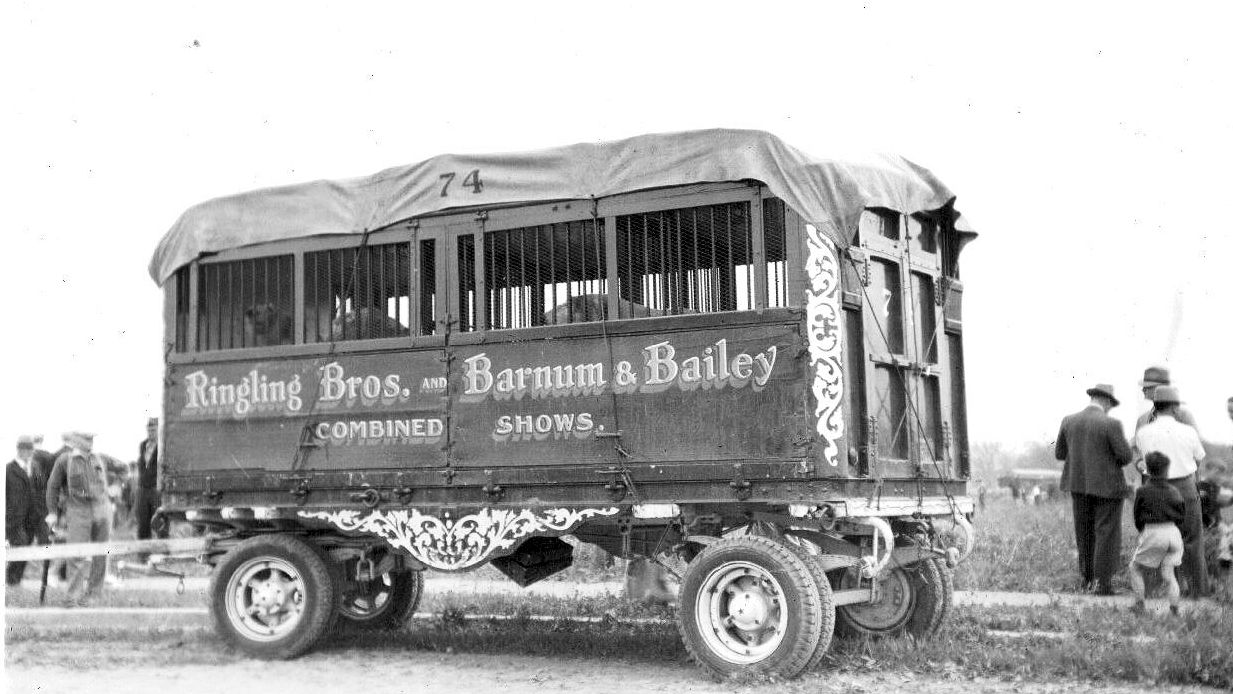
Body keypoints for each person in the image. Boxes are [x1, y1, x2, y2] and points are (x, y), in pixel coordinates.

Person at [1055, 383, 1134, 595]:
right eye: (1111, 405)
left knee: (1084, 533)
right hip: (1108, 488)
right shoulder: (1111, 424)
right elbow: (1125, 457)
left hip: (1078, 485)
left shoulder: (1068, 421)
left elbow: (1060, 454)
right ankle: (1103, 585)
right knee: (1106, 534)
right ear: (1106, 401)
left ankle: (1087, 581)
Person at [1133, 386, 1207, 597]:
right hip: (1184, 486)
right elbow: (1199, 458)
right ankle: (1196, 592)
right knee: (1192, 540)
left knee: (1153, 539)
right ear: (1175, 408)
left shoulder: (1143, 432)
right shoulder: (1188, 431)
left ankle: (1153, 591)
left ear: (1155, 408)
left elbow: (1142, 458)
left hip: (1154, 488)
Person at [44, 431, 111, 606]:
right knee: (76, 554)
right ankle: (72, 597)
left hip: (101, 509)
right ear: (75, 440)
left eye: (91, 439)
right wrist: (52, 512)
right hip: (78, 510)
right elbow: (52, 486)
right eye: (85, 439)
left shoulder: (98, 458)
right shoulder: (65, 460)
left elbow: (111, 478)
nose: (90, 442)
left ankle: (94, 595)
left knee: (101, 554)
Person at [1128, 451, 1186, 615]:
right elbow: (1182, 515)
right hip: (1173, 532)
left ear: (1147, 469)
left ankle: (1139, 605)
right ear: (1167, 470)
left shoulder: (1143, 491)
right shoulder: (1175, 491)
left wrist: (1144, 533)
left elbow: (1137, 517)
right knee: (1168, 573)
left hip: (1153, 531)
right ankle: (1174, 610)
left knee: (1135, 568)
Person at [6, 436, 49, 586]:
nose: (26, 453)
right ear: (18, 450)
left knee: (27, 546)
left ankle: (15, 581)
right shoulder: (9, 470)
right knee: (20, 545)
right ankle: (11, 581)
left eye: (29, 449)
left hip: (33, 517)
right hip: (15, 519)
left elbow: (42, 491)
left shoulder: (36, 468)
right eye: (23, 449)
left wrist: (43, 513)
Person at [134, 417, 165, 559]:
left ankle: (164, 554)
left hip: (156, 489)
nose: (150, 432)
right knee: (143, 523)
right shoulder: (142, 445)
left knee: (160, 521)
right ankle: (143, 555)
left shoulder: (164, 445)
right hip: (142, 489)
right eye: (149, 429)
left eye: (153, 429)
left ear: (158, 429)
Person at [1135, 366, 1198, 431]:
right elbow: (1137, 440)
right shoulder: (1142, 420)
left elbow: (1196, 439)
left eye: (1148, 386)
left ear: (1162, 387)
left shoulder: (1183, 415)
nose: (1143, 390)